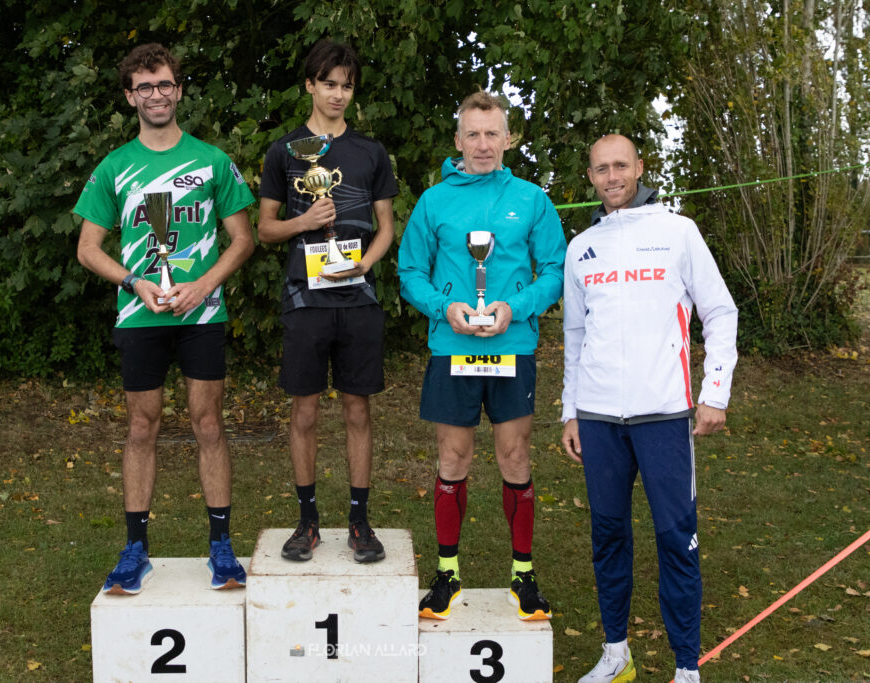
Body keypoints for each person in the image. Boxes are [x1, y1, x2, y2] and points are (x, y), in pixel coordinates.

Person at [74, 43, 255, 594]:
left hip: (201, 314)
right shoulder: (114, 166)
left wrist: (203, 285)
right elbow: (87, 248)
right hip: (140, 315)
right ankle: (136, 550)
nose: (157, 94)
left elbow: (243, 239)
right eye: (145, 87)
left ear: (179, 89)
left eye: (165, 84)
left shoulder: (212, 160)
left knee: (208, 423)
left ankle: (221, 546)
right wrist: (134, 281)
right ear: (130, 96)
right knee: (141, 426)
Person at [562, 134, 738, 683]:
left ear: (639, 168)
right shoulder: (580, 247)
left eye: (621, 165)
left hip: (663, 414)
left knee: (676, 538)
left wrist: (714, 392)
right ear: (590, 177)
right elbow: (575, 334)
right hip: (597, 418)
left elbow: (720, 311)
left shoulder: (678, 231)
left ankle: (687, 666)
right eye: (601, 169)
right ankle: (616, 654)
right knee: (608, 536)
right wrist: (570, 410)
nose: (612, 177)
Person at [398, 90, 566, 621]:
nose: (483, 144)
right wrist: (444, 307)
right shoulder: (433, 201)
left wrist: (515, 308)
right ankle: (447, 572)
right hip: (453, 347)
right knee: (453, 459)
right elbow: (410, 272)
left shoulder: (531, 199)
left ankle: (523, 575)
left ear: (508, 138)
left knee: (514, 457)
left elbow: (555, 270)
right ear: (458, 140)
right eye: (473, 134)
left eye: (492, 133)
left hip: (512, 347)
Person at [257, 40, 398, 564]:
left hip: (358, 299)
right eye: (329, 84)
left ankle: (359, 521)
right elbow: (265, 229)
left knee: (358, 410)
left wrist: (365, 264)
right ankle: (308, 521)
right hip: (305, 300)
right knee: (305, 411)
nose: (338, 94)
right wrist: (304, 222)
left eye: (347, 86)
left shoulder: (370, 152)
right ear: (310, 85)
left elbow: (387, 228)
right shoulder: (285, 151)